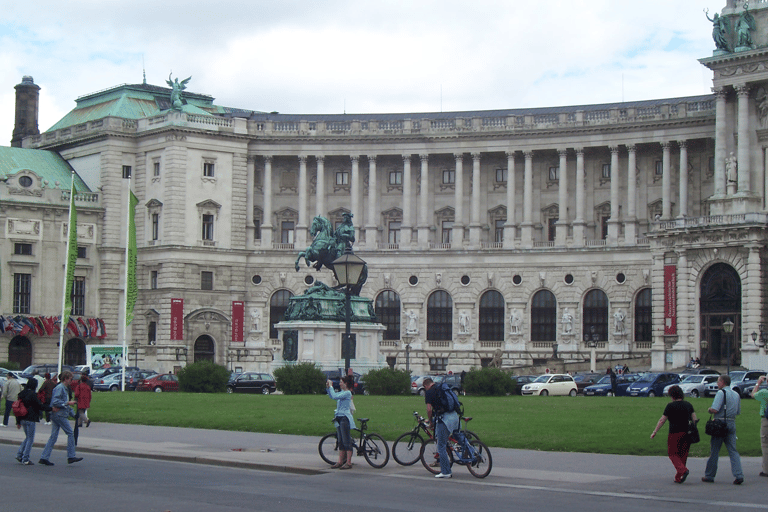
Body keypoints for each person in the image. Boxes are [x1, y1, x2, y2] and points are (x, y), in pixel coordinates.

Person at [650, 385, 698, 483]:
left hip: (674, 432)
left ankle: (683, 470)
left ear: (672, 395)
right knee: (683, 454)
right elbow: (695, 419)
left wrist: (655, 431)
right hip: (687, 433)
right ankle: (678, 476)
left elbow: (662, 420)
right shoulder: (688, 404)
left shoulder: (670, 406)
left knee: (672, 453)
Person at [702, 375, 743, 484]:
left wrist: (709, 410)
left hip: (720, 423)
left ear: (723, 382)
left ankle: (709, 475)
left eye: (718, 381)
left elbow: (715, 409)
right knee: (733, 450)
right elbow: (738, 411)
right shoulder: (736, 394)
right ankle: (738, 474)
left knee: (715, 450)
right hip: (731, 422)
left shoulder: (721, 393)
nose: (717, 383)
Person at [39, 371, 83, 466]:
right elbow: (55, 402)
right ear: (66, 379)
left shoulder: (63, 388)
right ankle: (71, 456)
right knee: (70, 433)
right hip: (60, 415)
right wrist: (68, 403)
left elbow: (62, 403)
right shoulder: (60, 388)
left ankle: (44, 457)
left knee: (53, 436)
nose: (71, 381)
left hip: (57, 414)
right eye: (70, 379)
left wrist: (73, 414)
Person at [423, 377, 459, 479]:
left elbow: (429, 410)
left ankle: (446, 472)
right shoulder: (441, 387)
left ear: (425, 386)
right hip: (454, 416)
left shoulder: (429, 392)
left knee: (441, 446)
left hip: (445, 420)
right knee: (459, 437)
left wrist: (430, 422)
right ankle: (469, 453)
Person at [15, 378, 50, 465]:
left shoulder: (22, 394)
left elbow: (18, 406)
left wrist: (18, 421)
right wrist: (50, 408)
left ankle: (19, 454)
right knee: (30, 439)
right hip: (31, 418)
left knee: (27, 437)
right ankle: (25, 458)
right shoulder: (33, 395)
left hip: (22, 417)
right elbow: (39, 406)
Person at [326, 374, 355, 469]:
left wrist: (331, 387)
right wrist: (328, 388)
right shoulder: (342, 392)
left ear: (346, 384)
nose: (339, 384)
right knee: (340, 441)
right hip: (338, 417)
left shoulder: (347, 393)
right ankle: (340, 461)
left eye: (341, 382)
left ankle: (348, 462)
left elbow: (334, 396)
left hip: (344, 418)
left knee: (346, 441)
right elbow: (332, 396)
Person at [750, 374, 768, 477]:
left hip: (766, 420)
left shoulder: (765, 392)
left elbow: (753, 394)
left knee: (765, 444)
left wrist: (758, 383)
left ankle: (766, 469)